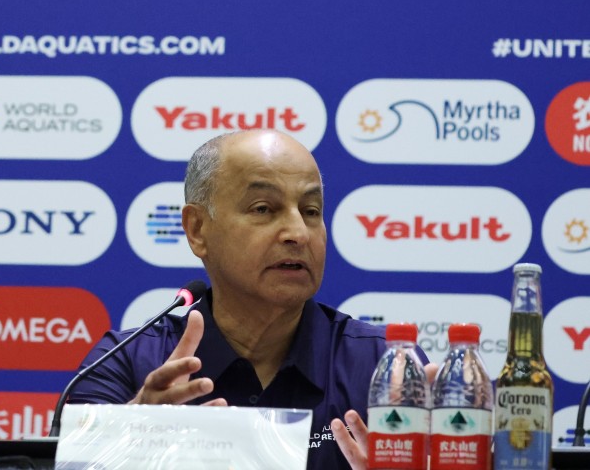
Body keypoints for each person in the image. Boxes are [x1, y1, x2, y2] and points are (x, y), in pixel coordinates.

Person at [69, 129, 428, 470]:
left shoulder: (383, 367)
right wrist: (130, 437)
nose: (298, 233)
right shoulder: (124, 365)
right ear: (197, 229)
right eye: (263, 209)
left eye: (311, 211)